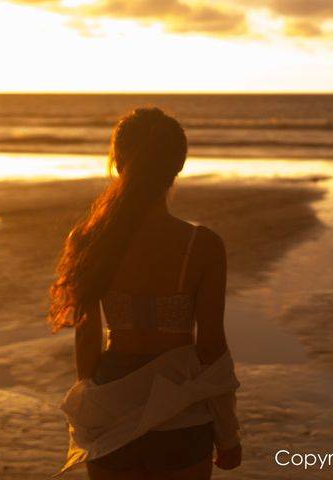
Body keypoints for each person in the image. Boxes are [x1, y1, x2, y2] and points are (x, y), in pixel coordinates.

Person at [50, 108, 242, 478]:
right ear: (179, 165)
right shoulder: (201, 246)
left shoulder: (91, 239)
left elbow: (86, 346)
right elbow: (211, 346)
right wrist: (228, 433)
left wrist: (93, 416)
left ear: (119, 163)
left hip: (111, 403)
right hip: (180, 408)